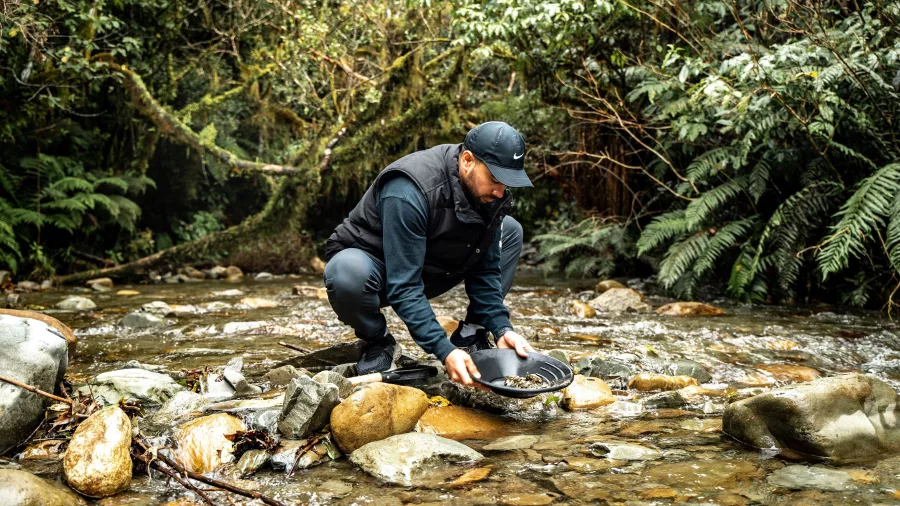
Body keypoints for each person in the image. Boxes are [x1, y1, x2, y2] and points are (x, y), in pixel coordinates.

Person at [324, 121, 536, 387]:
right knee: (346, 273)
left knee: (511, 230)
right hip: (377, 267)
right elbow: (405, 285)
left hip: (430, 263)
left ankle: (472, 333)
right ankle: (378, 341)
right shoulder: (408, 189)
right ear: (467, 160)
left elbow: (486, 269)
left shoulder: (491, 195)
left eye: (508, 183)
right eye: (495, 179)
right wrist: (444, 351)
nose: (500, 191)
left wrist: (502, 328)